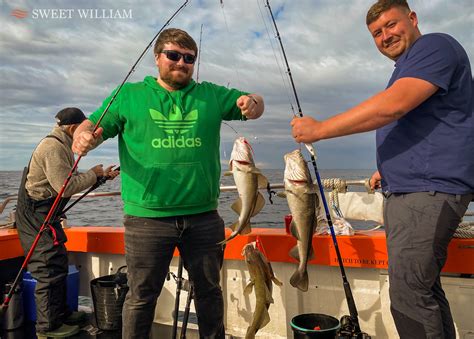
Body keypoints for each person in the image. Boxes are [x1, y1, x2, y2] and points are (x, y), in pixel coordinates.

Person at [291, 1, 473, 338]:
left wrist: (319, 130)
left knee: (407, 296)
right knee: (424, 290)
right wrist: (387, 171)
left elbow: (393, 106)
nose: (385, 35)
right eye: (377, 32)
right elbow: (424, 122)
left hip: (427, 191)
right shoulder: (407, 66)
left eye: (391, 25)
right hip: (411, 188)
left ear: (413, 19)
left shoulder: (436, 45)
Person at [72, 28, 264, 338]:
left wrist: (253, 102)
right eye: (173, 55)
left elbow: (254, 103)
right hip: (146, 218)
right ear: (157, 57)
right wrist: (83, 136)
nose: (181, 63)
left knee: (210, 292)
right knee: (141, 297)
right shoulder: (129, 95)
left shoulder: (211, 94)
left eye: (189, 58)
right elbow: (93, 124)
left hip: (203, 216)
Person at [15, 107, 119, 338]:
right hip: (36, 217)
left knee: (58, 263)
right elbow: (66, 187)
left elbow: (66, 180)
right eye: (83, 128)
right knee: (48, 270)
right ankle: (48, 328)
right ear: (73, 128)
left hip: (47, 216)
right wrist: (93, 173)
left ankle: (60, 313)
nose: (85, 133)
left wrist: (100, 176)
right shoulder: (53, 147)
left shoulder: (61, 144)